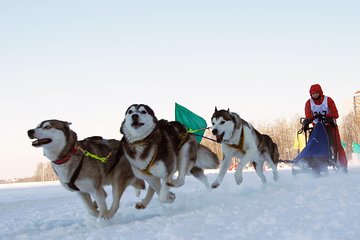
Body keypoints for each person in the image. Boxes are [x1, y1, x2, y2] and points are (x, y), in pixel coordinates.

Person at [303, 83, 348, 173]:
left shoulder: (328, 100)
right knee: (314, 146)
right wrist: (307, 120)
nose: (315, 95)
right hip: (317, 129)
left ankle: (343, 166)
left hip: (330, 126)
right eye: (313, 93)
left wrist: (327, 116)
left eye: (316, 93)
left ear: (320, 92)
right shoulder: (309, 103)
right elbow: (308, 115)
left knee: (337, 145)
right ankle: (317, 165)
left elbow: (336, 114)